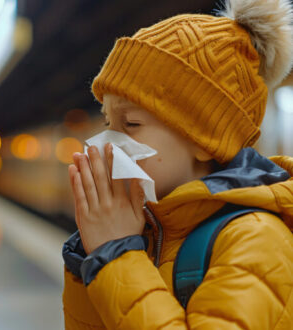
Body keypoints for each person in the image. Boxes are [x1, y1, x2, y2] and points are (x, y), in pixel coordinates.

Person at [62, 0, 293, 329]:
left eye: (130, 124)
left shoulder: (256, 239)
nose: (108, 144)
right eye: (106, 123)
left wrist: (115, 256)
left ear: (203, 139)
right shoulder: (152, 228)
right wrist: (88, 258)